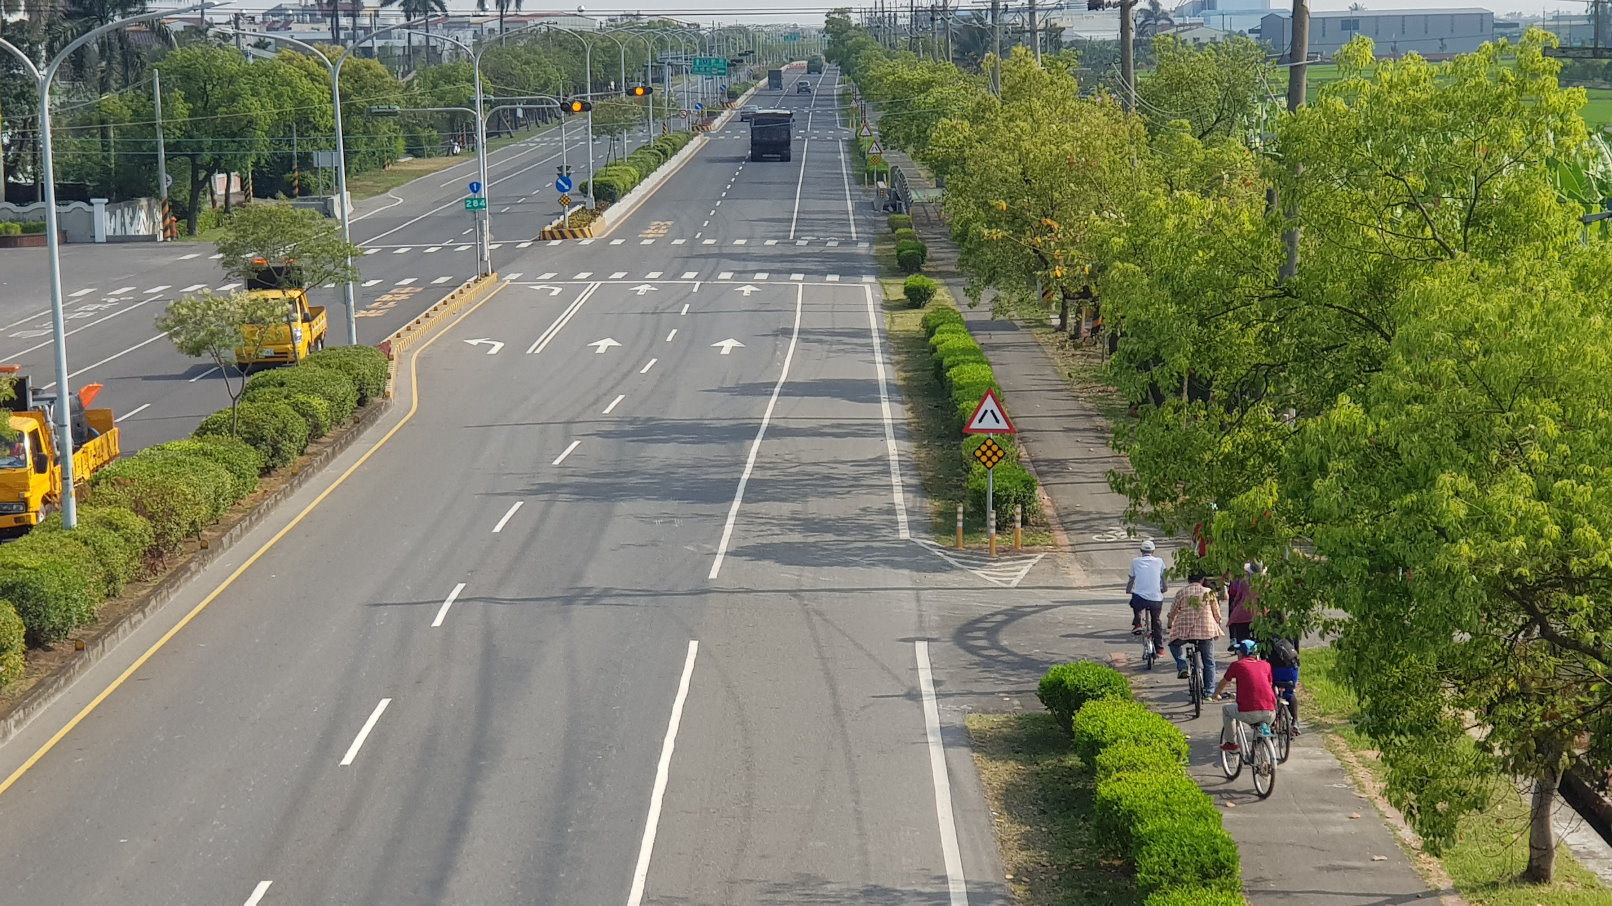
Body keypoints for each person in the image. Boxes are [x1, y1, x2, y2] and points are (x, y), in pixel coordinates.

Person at [1213, 639, 1276, 752]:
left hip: (1249, 712)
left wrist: (1216, 693)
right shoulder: (1266, 665)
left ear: (1241, 653)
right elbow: (1268, 684)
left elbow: (1224, 681)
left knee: (1226, 710)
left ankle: (1231, 744)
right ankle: (1263, 748)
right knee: (1259, 722)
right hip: (1270, 712)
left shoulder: (1237, 665)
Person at [1166, 573, 1223, 697]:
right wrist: (1218, 621)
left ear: (1188, 580)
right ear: (1202, 580)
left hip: (1184, 630)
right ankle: (1210, 690)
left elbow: (1173, 611)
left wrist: (1170, 623)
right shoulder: (1209, 592)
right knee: (1209, 661)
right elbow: (1216, 612)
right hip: (1206, 630)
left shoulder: (1181, 592)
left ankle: (1182, 666)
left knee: (1173, 644)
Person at [1126, 540, 1168, 660]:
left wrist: (1128, 589)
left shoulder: (1135, 561)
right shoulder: (1159, 561)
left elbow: (1131, 578)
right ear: (1153, 551)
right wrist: (1164, 588)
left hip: (1140, 598)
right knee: (1157, 621)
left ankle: (1138, 623)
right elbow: (1163, 578)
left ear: (1141, 551)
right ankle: (1160, 649)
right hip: (1156, 598)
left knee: (1134, 602)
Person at [1225, 561, 1264, 651]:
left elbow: (1238, 597)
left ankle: (1240, 650)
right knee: (1259, 638)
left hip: (1243, 613)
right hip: (1258, 614)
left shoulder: (1244, 582)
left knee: (1242, 638)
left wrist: (1233, 606)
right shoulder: (1264, 583)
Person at [1267, 635, 1301, 734]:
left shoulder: (1265, 630)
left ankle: (1272, 720)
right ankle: (1295, 721)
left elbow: (1263, 654)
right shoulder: (1292, 629)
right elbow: (1296, 650)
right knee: (1290, 693)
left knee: (1270, 691)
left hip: (1274, 669)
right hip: (1291, 668)